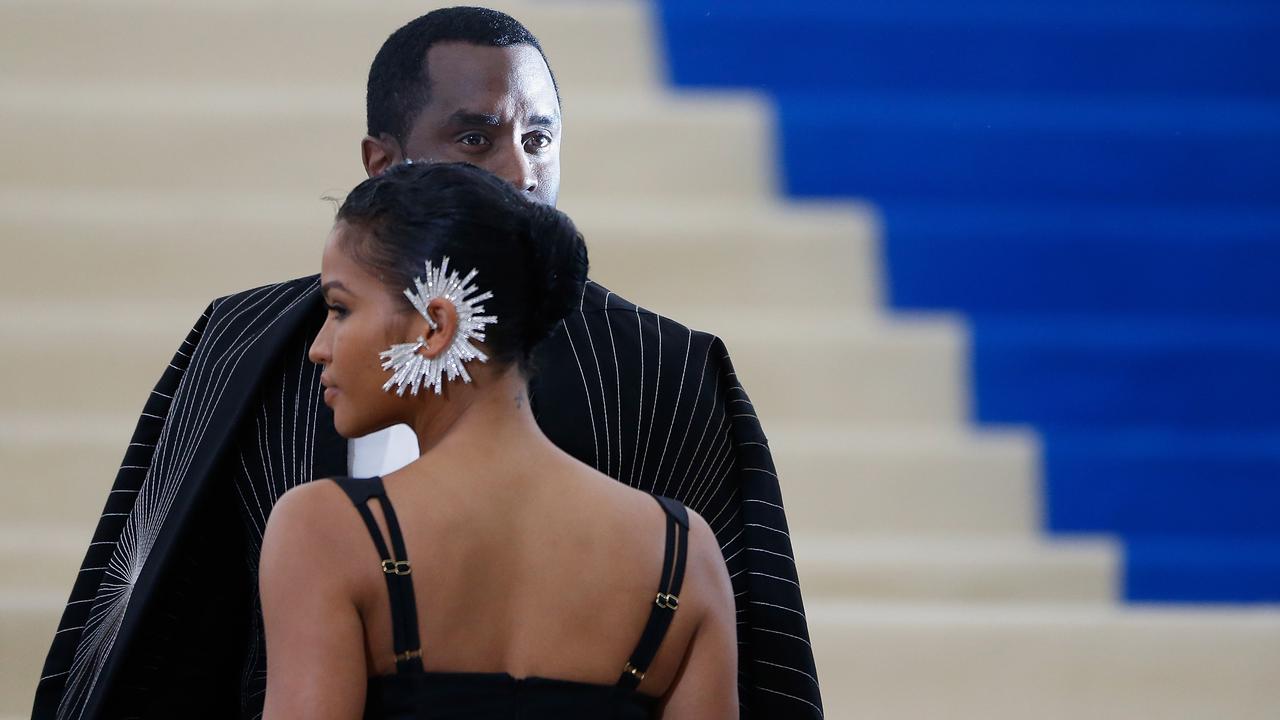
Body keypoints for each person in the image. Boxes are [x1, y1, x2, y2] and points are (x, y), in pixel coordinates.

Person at [35, 8, 820, 719]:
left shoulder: (666, 368)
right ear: (384, 165)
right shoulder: (243, 340)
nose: (521, 172)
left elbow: (755, 662)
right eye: (477, 138)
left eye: (540, 137)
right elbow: (156, 618)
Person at [260, 161, 737, 719]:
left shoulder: (326, 531)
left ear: (435, 327)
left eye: (340, 309)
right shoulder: (684, 552)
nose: (319, 346)